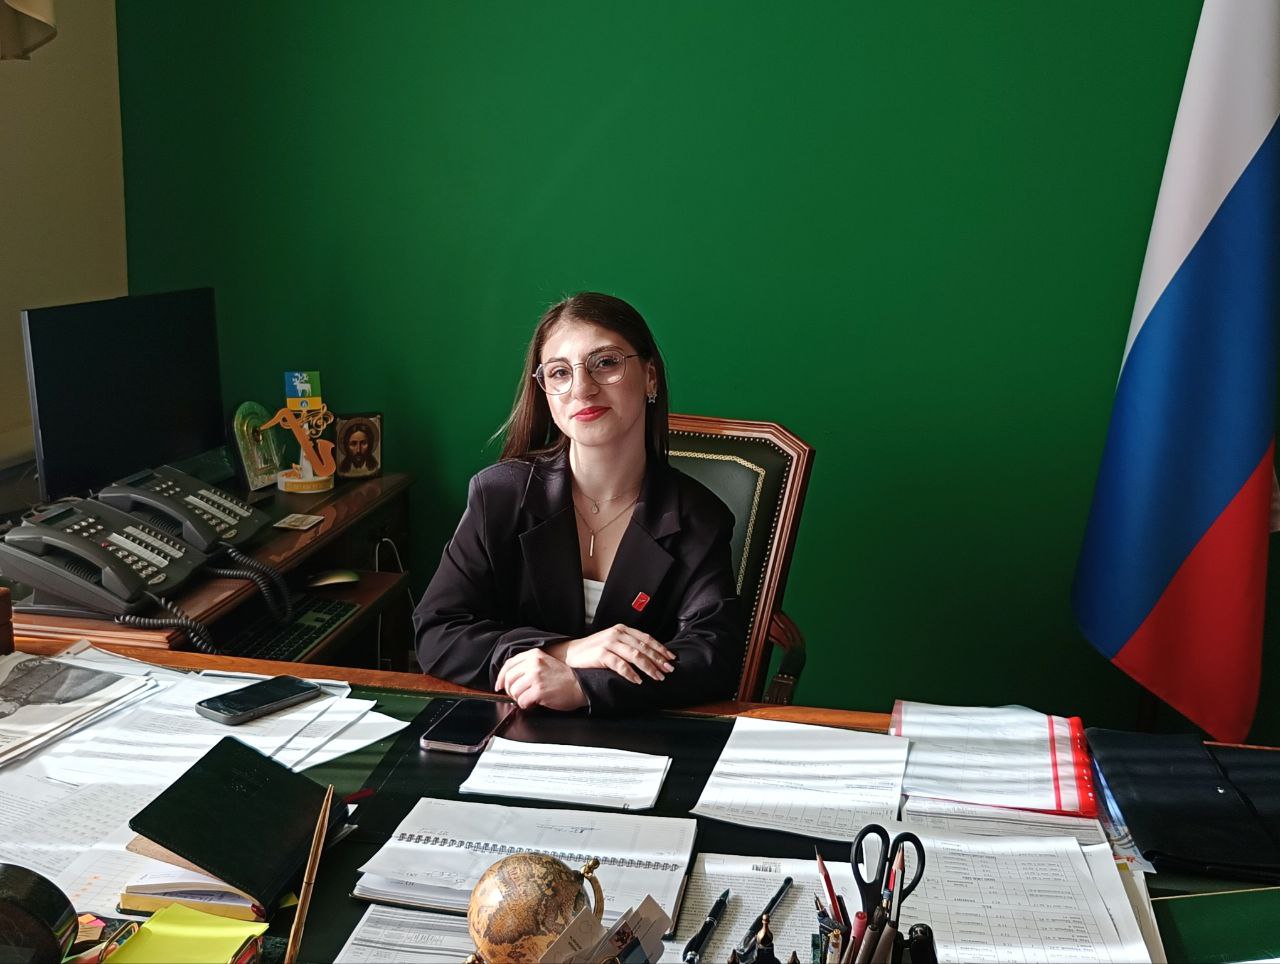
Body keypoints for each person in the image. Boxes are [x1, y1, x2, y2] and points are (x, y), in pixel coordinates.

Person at [414, 293, 744, 714]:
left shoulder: (699, 517)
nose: (582, 389)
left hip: (635, 737)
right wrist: (566, 651)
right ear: (545, 393)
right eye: (559, 372)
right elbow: (437, 631)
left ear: (650, 377)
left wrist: (585, 686)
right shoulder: (498, 495)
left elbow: (713, 659)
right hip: (509, 727)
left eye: (605, 363)